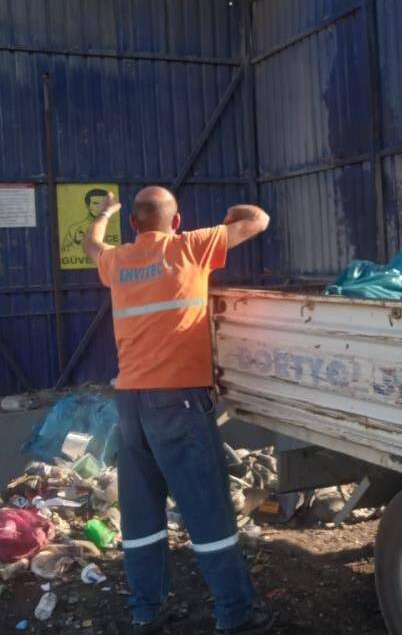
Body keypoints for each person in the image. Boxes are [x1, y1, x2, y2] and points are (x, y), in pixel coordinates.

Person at [83, 187, 273, 635]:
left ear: (133, 225)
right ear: (177, 221)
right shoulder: (191, 247)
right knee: (207, 509)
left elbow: (92, 244)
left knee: (142, 514)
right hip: (179, 402)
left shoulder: (119, 261)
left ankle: (146, 612)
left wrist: (105, 213)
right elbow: (258, 220)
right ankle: (234, 613)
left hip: (130, 403)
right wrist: (234, 212)